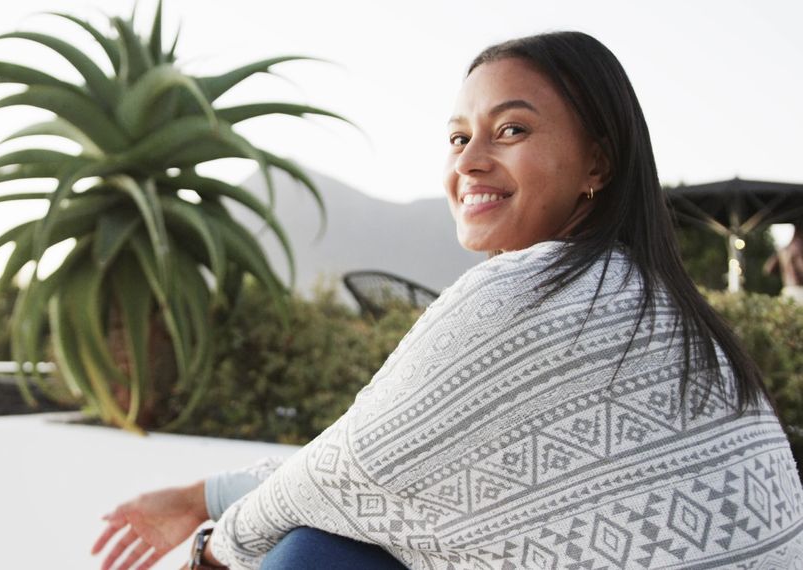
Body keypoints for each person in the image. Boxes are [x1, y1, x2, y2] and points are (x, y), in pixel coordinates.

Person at [92, 31, 803, 569]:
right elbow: (366, 452)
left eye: (511, 130)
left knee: (315, 551)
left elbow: (344, 475)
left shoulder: (527, 293)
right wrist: (204, 495)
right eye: (459, 137)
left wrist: (212, 549)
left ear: (599, 161)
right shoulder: (655, 305)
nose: (467, 161)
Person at [764, 220, 803, 303]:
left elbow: (768, 269)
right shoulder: (799, 247)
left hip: (787, 290)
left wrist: (785, 271)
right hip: (799, 291)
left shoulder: (783, 249)